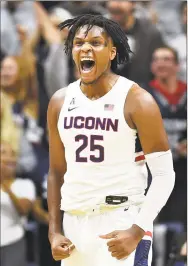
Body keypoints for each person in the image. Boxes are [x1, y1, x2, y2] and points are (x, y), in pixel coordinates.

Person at [47, 14, 175, 266]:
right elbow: (56, 172)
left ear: (112, 52)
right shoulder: (59, 102)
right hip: (74, 223)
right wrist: (53, 230)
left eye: (95, 43)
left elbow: (164, 175)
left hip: (122, 220)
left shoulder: (138, 100)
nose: (85, 47)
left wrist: (136, 230)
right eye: (78, 43)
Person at [0, 142, 36, 266]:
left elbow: (23, 210)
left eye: (13, 154)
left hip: (13, 243)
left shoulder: (25, 184)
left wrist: (4, 184)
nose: (9, 158)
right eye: (3, 153)